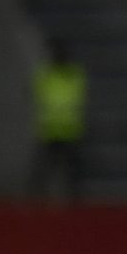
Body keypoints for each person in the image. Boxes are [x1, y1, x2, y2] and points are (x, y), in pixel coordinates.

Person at [29, 41, 83, 201]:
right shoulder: (48, 75)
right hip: (51, 129)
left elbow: (76, 97)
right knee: (45, 169)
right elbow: (36, 93)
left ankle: (72, 199)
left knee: (70, 171)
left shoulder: (72, 75)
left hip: (67, 129)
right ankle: (39, 198)